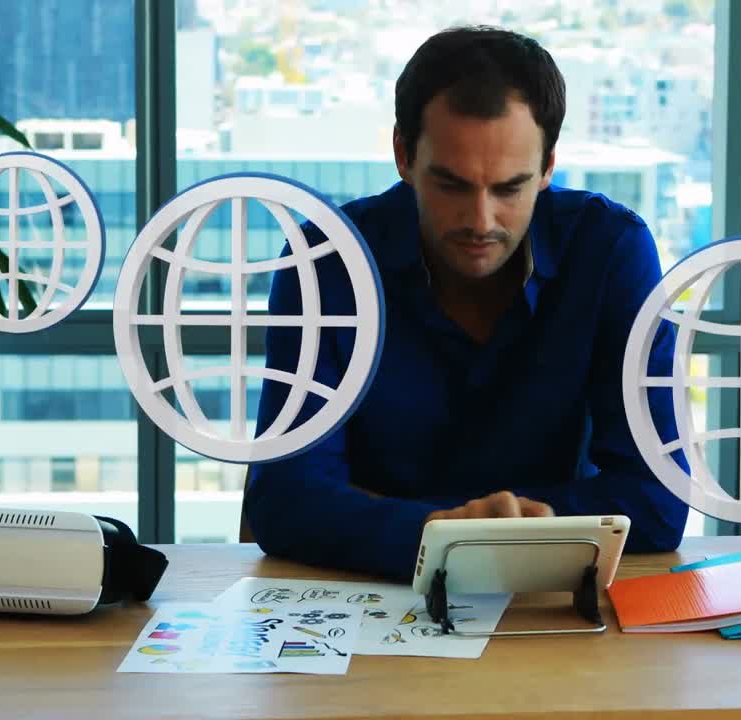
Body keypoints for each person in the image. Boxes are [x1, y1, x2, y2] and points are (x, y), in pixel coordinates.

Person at [245, 25, 688, 580]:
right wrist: (464, 531)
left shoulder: (608, 250)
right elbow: (284, 500)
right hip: (373, 607)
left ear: (548, 167)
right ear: (404, 155)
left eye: (509, 188)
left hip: (543, 605)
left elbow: (658, 502)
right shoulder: (324, 260)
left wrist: (469, 531)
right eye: (452, 185)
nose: (481, 222)